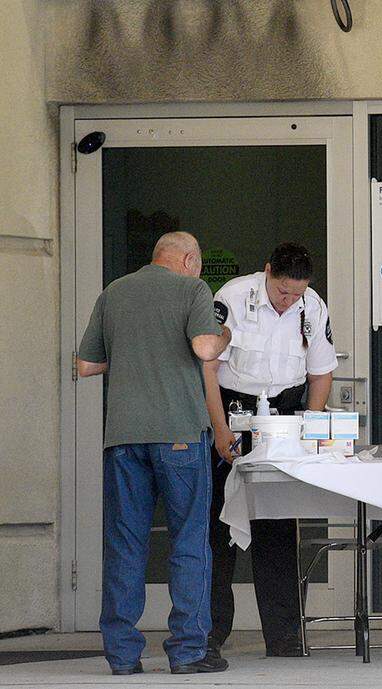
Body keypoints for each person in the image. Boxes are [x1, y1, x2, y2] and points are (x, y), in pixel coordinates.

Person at [76, 231, 232, 675]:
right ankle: (187, 652)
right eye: (197, 265)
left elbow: (86, 365)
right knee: (188, 541)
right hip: (179, 433)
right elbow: (204, 348)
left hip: (123, 438)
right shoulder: (192, 289)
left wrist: (133, 353)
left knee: (125, 544)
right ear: (188, 260)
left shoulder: (114, 292)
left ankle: (123, 657)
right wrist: (224, 333)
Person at [204, 242, 337, 659]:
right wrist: (220, 427)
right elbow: (207, 367)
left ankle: (283, 636)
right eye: (282, 291)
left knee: (278, 528)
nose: (288, 300)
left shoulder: (311, 306)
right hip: (232, 408)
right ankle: (209, 633)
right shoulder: (233, 297)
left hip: (284, 416)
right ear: (267, 273)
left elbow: (321, 372)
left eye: (296, 293)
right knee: (217, 527)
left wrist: (312, 430)